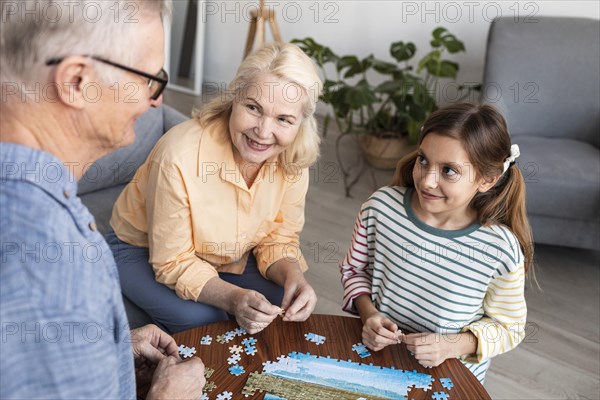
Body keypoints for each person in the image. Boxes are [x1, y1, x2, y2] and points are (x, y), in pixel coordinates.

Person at [0, 1, 205, 398]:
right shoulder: (49, 258)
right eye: (150, 79)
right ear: (78, 81)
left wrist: (108, 348)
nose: (156, 101)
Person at [106, 42, 322, 334]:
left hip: (231, 253)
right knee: (205, 321)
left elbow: (278, 238)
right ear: (235, 98)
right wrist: (234, 299)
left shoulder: (294, 158)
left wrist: (294, 277)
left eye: (284, 119)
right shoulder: (178, 156)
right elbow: (173, 261)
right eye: (253, 108)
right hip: (140, 249)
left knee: (282, 309)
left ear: (300, 124)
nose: (263, 131)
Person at [339, 103, 534, 383]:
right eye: (423, 160)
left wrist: (452, 345)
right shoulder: (379, 208)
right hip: (375, 359)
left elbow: (510, 328)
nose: (428, 181)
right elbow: (354, 271)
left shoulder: (500, 249)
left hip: (449, 379)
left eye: (449, 171)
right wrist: (368, 315)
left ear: (487, 180)